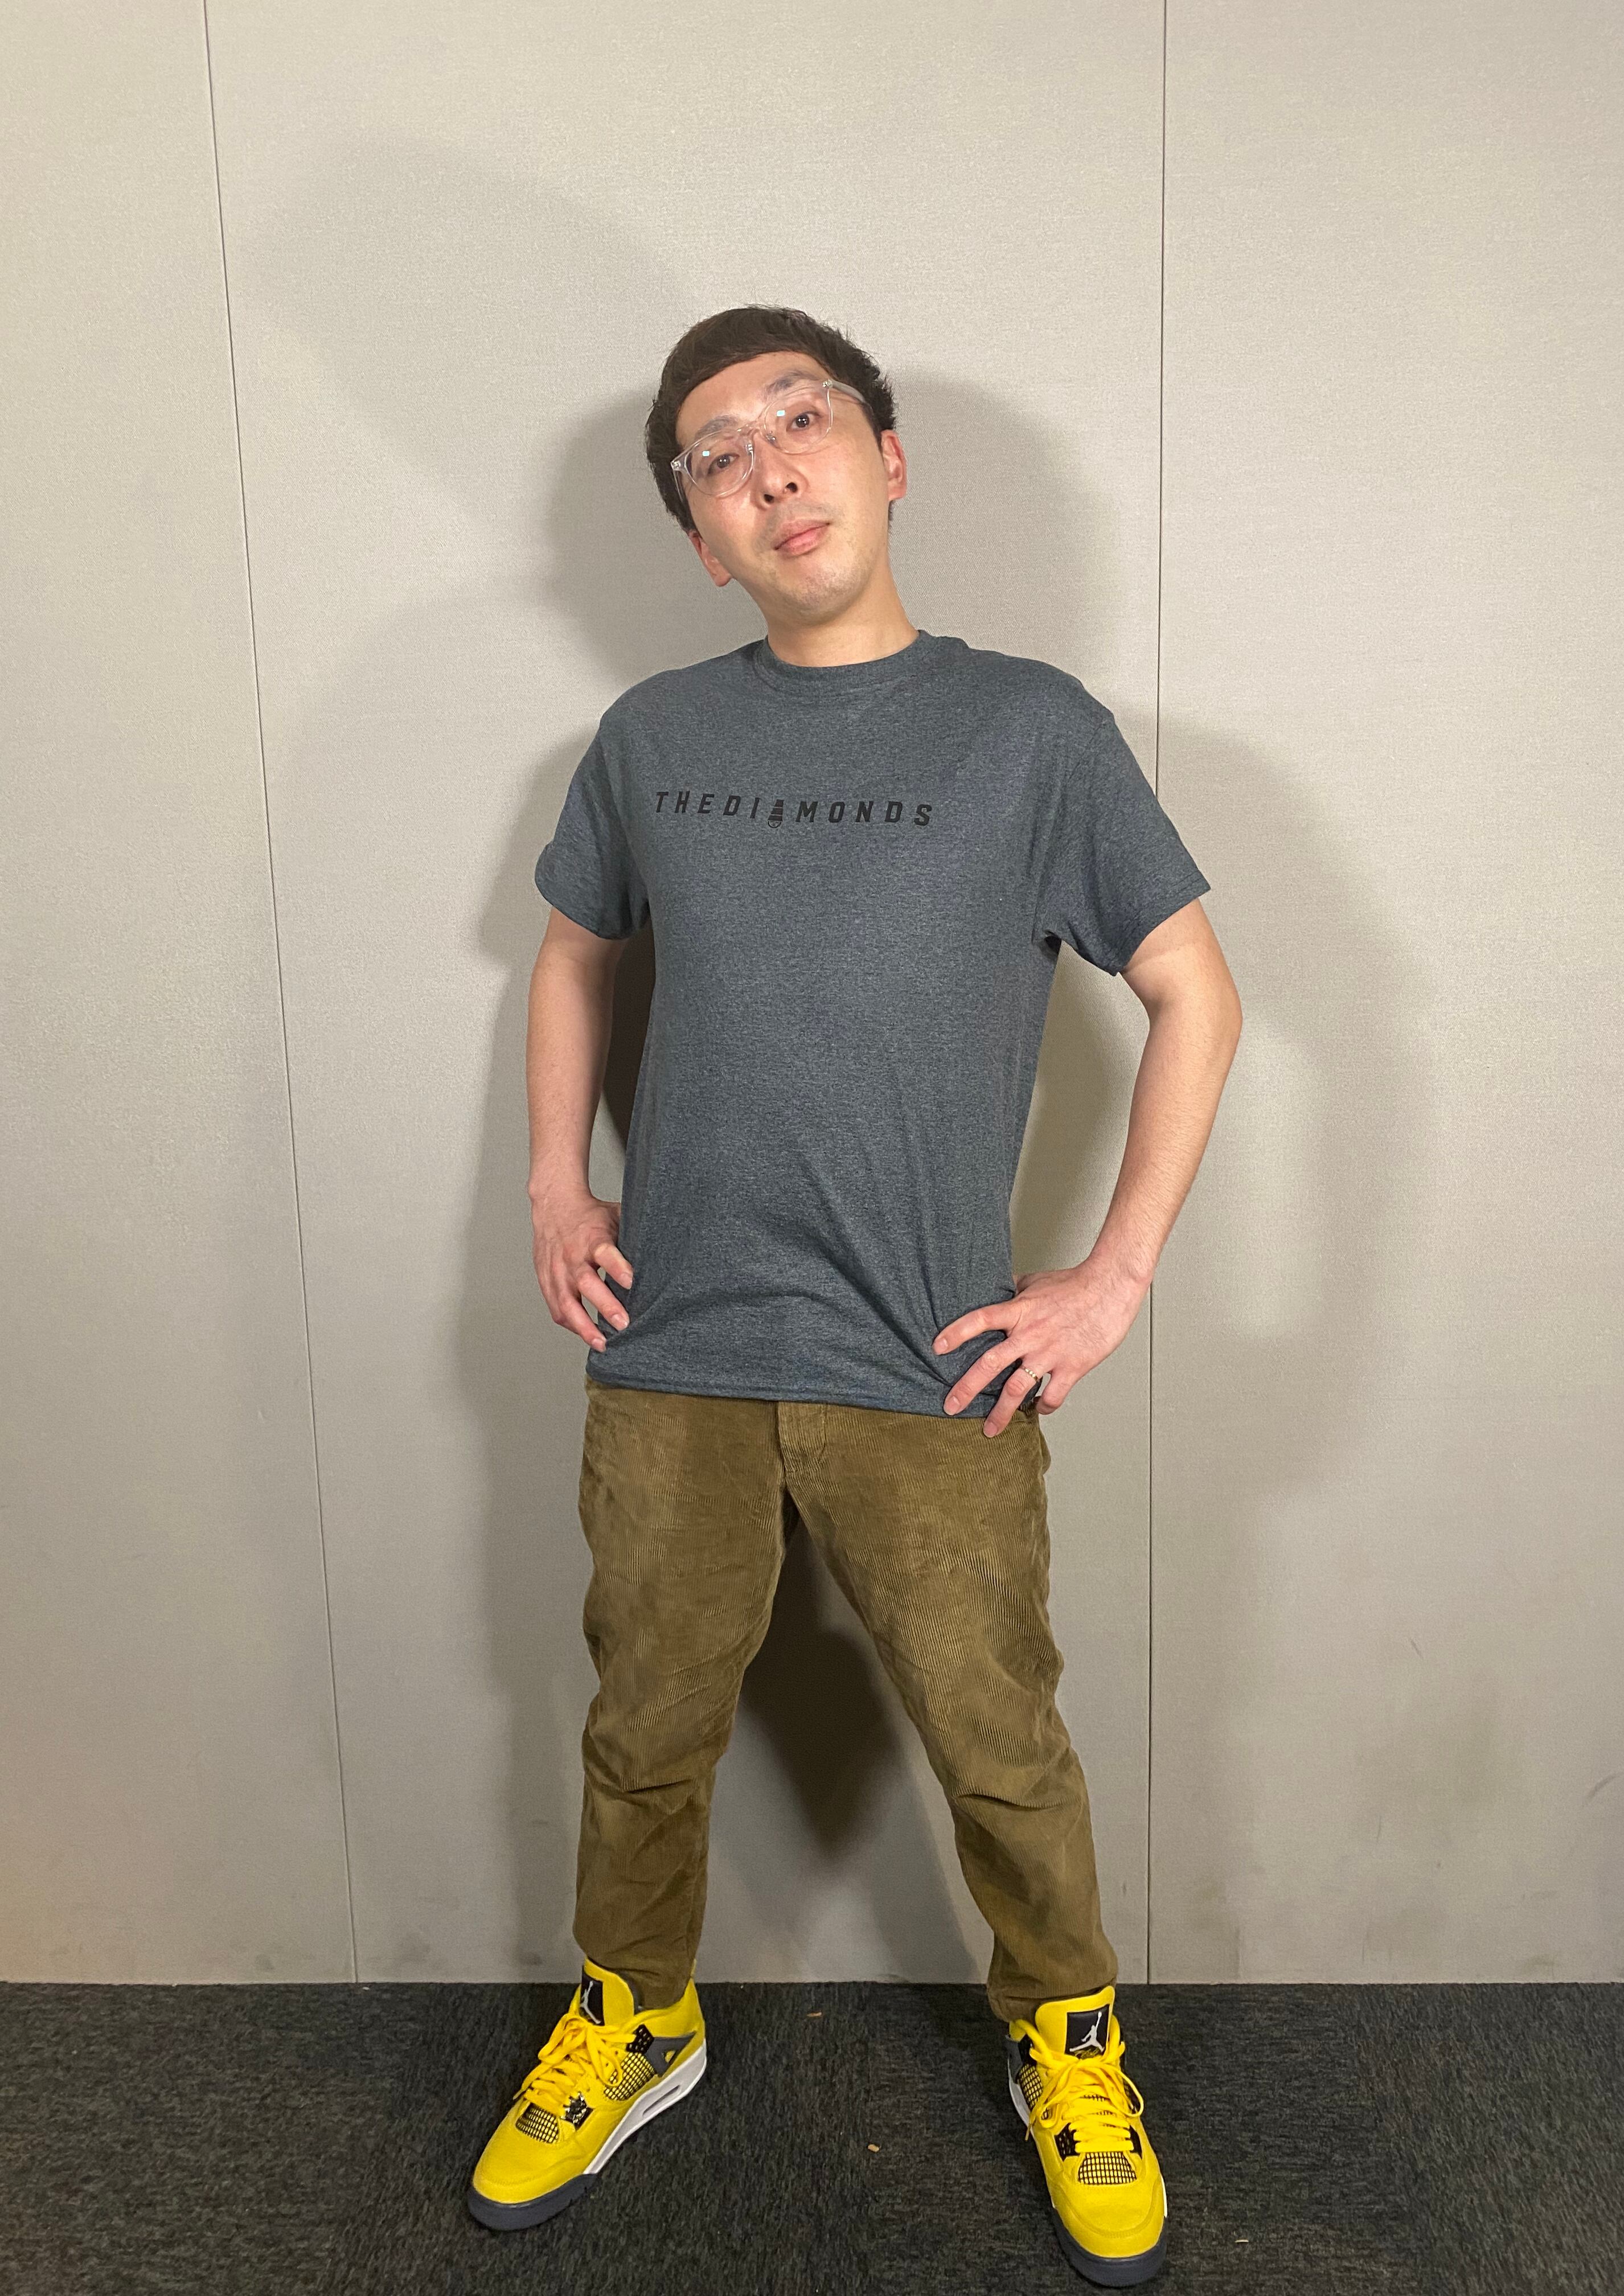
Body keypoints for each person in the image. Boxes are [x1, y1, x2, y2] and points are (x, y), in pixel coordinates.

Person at [467, 305, 1242, 2286]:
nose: (769, 469)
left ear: (888, 461)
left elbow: (1195, 992)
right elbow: (568, 953)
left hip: (932, 1359)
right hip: (677, 1350)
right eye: (717, 459)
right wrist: (554, 1184)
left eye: (800, 421)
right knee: (644, 1728)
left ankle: (1067, 2045)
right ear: (700, 536)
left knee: (1002, 1744)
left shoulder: (1032, 730)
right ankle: (637, 2017)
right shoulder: (653, 741)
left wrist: (1114, 1277)